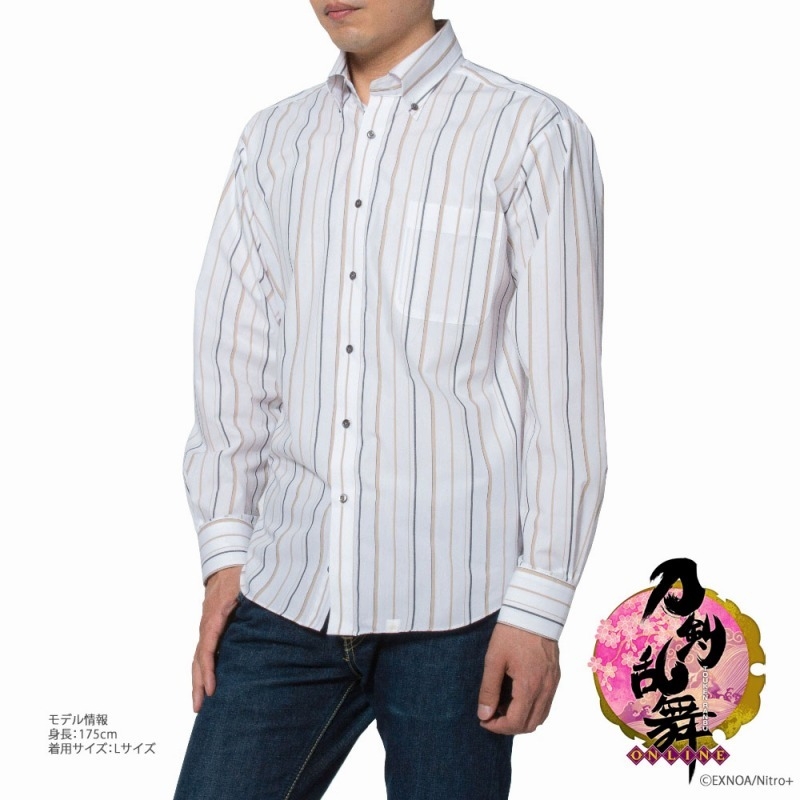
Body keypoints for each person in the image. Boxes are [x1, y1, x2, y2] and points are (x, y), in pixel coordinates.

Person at [174, 2, 606, 798]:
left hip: (459, 614)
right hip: (286, 595)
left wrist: (539, 607)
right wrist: (225, 554)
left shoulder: (529, 133)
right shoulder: (274, 140)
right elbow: (236, 358)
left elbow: (563, 393)